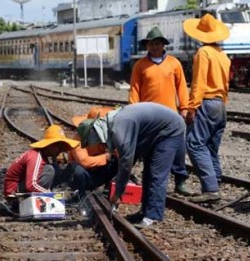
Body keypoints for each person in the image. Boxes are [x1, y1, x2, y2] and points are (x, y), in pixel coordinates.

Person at [77, 102, 186, 227]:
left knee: (156, 173)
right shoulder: (113, 122)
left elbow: (126, 164)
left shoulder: (119, 130)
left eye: (91, 141)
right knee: (148, 173)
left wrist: (118, 193)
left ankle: (153, 216)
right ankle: (145, 211)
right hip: (155, 131)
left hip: (170, 130)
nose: (94, 144)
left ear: (94, 133)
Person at [129, 26, 190, 196]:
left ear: (163, 45)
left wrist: (184, 108)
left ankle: (180, 181)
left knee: (178, 149)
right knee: (150, 149)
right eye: (151, 44)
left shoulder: (174, 63)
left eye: (157, 43)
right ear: (147, 46)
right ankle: (149, 180)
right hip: (149, 116)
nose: (154, 47)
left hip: (171, 114)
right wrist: (134, 111)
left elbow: (182, 87)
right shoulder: (140, 65)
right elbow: (134, 89)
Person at [183, 13, 231, 203]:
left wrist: (192, 107)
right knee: (211, 146)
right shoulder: (222, 55)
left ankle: (211, 189)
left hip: (207, 102)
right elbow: (226, 84)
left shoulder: (203, 53)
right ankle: (215, 182)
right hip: (220, 103)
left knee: (194, 144)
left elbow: (199, 83)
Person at [4, 125, 79, 197]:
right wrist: (51, 194)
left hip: (18, 187)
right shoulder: (36, 157)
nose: (60, 150)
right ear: (50, 145)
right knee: (49, 170)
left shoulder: (42, 155)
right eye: (58, 146)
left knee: (53, 168)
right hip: (14, 193)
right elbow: (31, 185)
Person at [68, 106, 118, 198]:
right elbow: (84, 161)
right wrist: (105, 157)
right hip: (81, 176)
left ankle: (108, 190)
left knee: (115, 161)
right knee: (78, 170)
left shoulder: (104, 136)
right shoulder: (78, 138)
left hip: (95, 174)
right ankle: (79, 194)